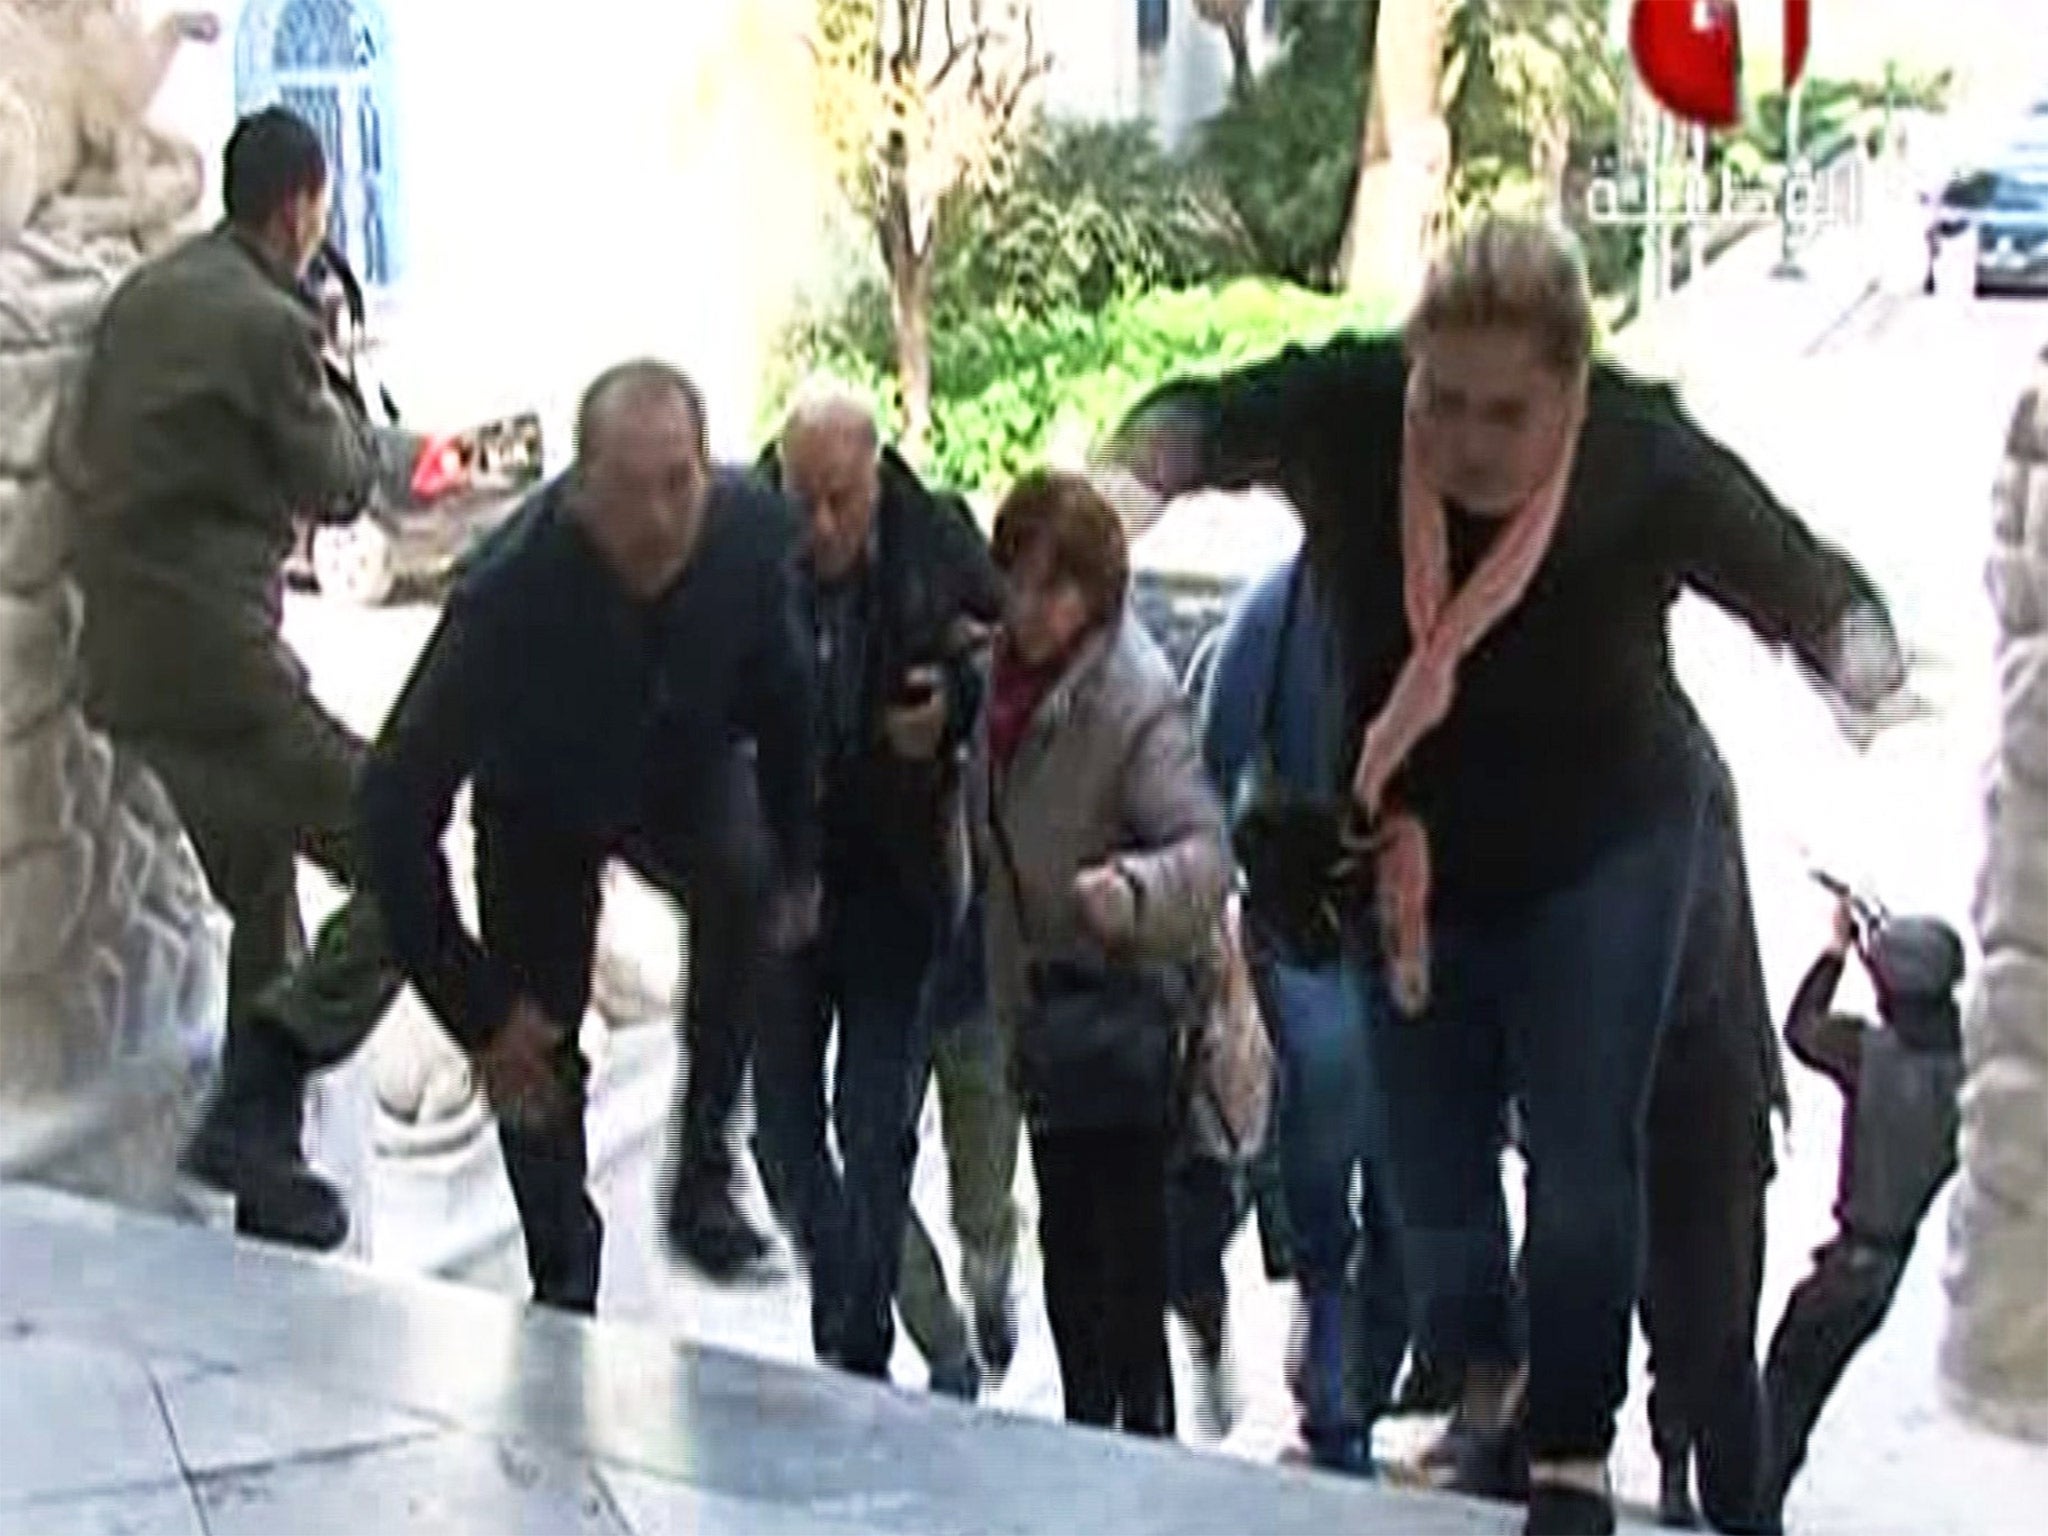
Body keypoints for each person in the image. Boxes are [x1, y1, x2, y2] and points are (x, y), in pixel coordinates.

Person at [1104, 216, 1906, 1535]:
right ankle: (1489, 1368)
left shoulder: (1640, 452)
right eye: (1447, 401)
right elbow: (1215, 411)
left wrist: (1852, 644)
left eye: (1506, 414)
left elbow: (1777, 561)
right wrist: (1147, 466)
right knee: (1430, 1175)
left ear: (1571, 390)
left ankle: (1573, 1455)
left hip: (1610, 850)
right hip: (1420, 855)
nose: (1468, 443)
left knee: (1586, 1154)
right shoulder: (1359, 412)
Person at [354, 360, 818, 1314]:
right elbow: (394, 808)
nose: (658, 521)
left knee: (746, 882)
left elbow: (788, 702)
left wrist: (801, 860)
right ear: (579, 489)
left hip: (681, 765)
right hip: (541, 806)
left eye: (678, 484)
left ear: (706, 470)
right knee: (534, 1051)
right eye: (627, 491)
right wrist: (475, 1009)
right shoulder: (505, 597)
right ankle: (561, 1264)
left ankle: (702, 1169)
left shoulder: (752, 534)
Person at [53, 107, 394, 1253]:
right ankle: (258, 1100)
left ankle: (269, 1171)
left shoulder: (150, 296)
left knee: (261, 890)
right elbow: (343, 480)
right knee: (399, 857)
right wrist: (336, 363)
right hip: (221, 663)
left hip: (124, 669)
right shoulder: (271, 324)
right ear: (300, 207)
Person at [749, 388, 1007, 1383]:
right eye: (800, 499)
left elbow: (1019, 659)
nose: (818, 526)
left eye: (839, 501)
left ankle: (874, 1347)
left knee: (875, 1133)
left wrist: (954, 707)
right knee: (780, 1139)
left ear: (874, 479)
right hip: (785, 886)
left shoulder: (933, 543)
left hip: (897, 890)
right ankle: (871, 1309)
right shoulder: (750, 557)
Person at [983, 469, 1230, 1437]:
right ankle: (1095, 1454)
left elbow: (1205, 857)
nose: (1028, 608)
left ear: (1095, 592)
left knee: (1119, 1280)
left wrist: (1129, 894)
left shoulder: (1133, 702)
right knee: (1070, 1266)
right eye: (1017, 581)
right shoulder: (995, 681)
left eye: (1055, 587)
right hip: (1043, 1022)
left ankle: (1139, 1460)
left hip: (1119, 1027)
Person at [1199, 552, 1412, 1474]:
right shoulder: (1276, 612)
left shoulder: (1446, 606)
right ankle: (1336, 1374)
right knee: (1331, 1127)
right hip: (1311, 920)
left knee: (1408, 1166)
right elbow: (1208, 766)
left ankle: (1356, 1373)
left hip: (1416, 926)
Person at [1756, 901, 1966, 1530]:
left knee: (1788, 1380)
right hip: (1898, 1269)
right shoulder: (1971, 1071)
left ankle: (1753, 1508)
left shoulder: (1870, 1053)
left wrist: (1836, 950)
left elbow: (1801, 1028)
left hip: (1853, 1261)